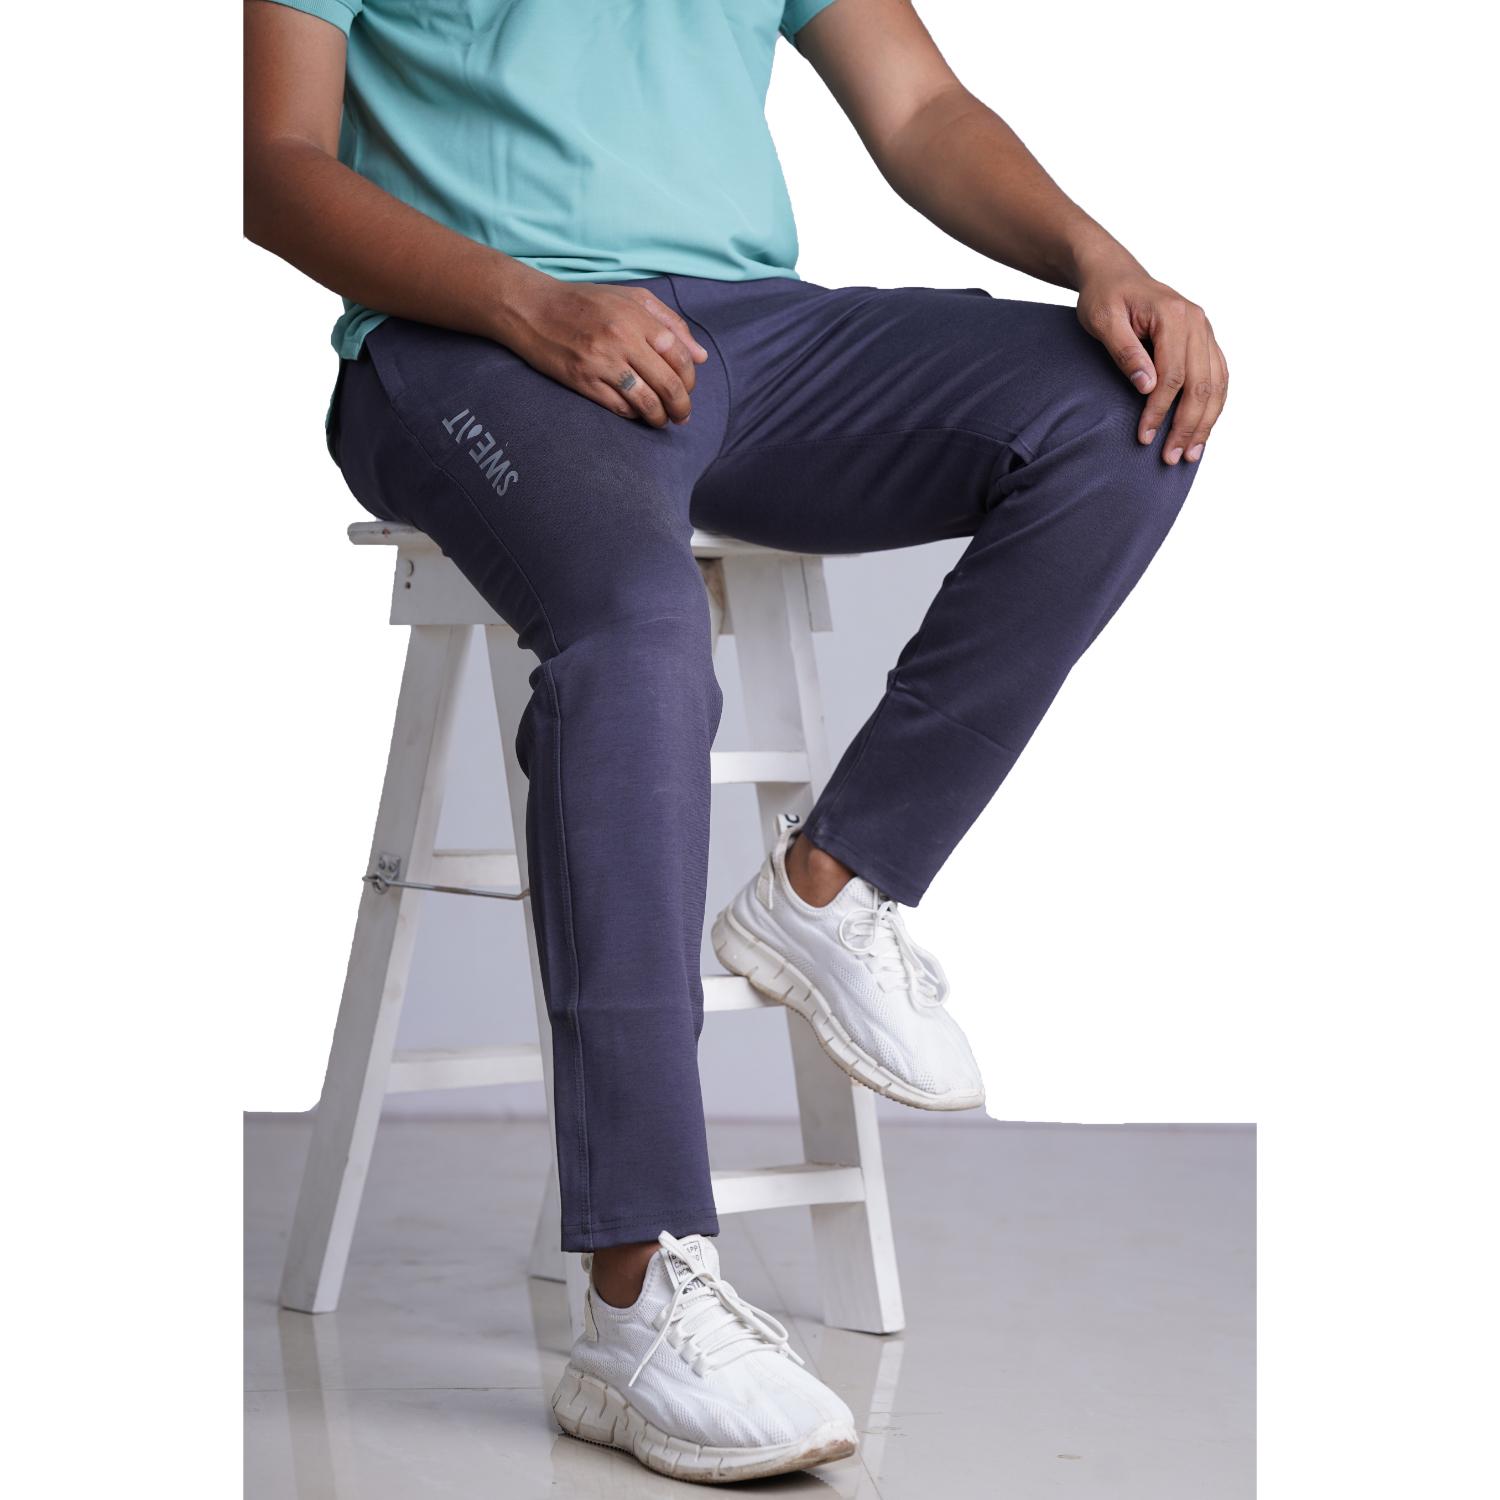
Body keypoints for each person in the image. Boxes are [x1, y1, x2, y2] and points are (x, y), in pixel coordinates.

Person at [245, 0, 1227, 1481]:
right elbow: (275, 166)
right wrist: (526, 303)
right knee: (642, 635)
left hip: (743, 338)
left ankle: (833, 886)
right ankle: (635, 1295)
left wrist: (1105, 262)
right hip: (468, 345)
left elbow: (920, 110)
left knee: (1118, 411)